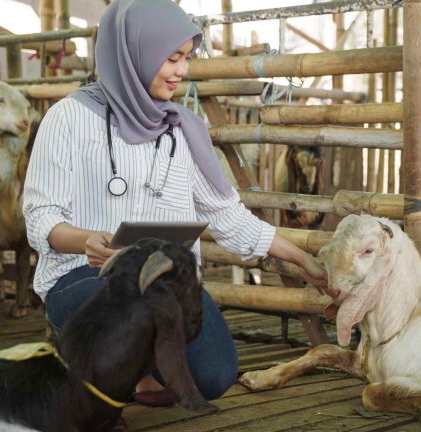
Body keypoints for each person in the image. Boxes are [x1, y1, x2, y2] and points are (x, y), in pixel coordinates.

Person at [21, 0, 328, 419]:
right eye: (171, 58)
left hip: (163, 282)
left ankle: (140, 372)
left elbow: (229, 217)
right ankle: (90, 397)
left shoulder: (181, 129)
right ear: (134, 53)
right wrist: (84, 240)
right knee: (132, 307)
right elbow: (40, 217)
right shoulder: (69, 118)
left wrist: (303, 260)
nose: (182, 71)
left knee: (215, 375)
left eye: (186, 58)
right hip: (83, 276)